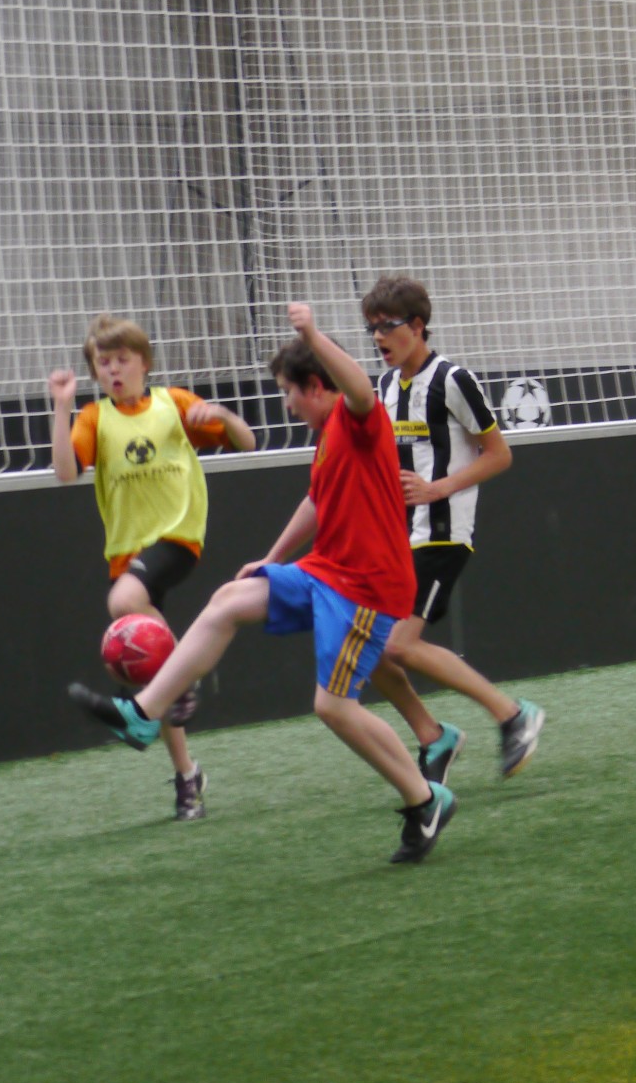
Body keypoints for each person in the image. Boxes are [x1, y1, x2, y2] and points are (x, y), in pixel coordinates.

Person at [70, 303, 457, 864]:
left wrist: (311, 333)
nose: (286, 404)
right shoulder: (327, 437)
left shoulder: (360, 418)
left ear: (316, 388)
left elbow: (358, 387)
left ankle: (424, 800)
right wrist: (272, 558)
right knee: (229, 600)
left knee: (332, 707)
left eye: (289, 392)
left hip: (366, 588)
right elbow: (316, 502)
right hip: (325, 572)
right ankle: (144, 714)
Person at [48, 315, 254, 820]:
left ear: (144, 363)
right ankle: (188, 778)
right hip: (127, 553)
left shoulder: (172, 404)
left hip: (178, 536)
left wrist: (222, 415)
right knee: (155, 677)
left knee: (123, 603)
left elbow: (246, 442)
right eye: (103, 363)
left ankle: (184, 677)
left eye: (122, 360)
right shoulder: (95, 417)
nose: (113, 370)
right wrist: (61, 406)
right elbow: (65, 473)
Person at [355, 275, 544, 785]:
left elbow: (499, 454)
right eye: (371, 328)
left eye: (387, 326)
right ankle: (433, 736)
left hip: (443, 533)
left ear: (417, 326)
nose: (378, 337)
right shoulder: (385, 387)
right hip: (398, 537)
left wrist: (438, 488)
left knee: (397, 645)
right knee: (365, 644)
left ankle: (512, 714)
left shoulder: (453, 380)